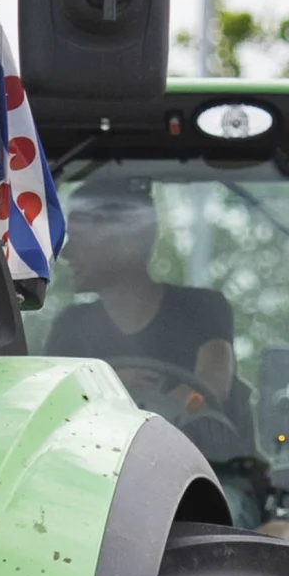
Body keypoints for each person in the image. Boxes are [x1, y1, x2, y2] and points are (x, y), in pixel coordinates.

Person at [46, 180, 241, 428]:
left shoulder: (202, 309)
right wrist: (110, 384)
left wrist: (165, 413)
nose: (65, 252)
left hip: (197, 453)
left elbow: (213, 381)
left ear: (124, 240)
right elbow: (50, 403)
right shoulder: (70, 326)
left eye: (79, 237)